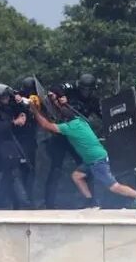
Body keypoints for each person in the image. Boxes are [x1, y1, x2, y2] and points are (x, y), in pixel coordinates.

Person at [31, 90, 136, 209]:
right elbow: (65, 111)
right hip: (93, 159)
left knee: (113, 186)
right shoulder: (80, 121)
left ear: (66, 120)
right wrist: (56, 101)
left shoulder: (70, 128)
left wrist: (35, 110)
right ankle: (90, 202)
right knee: (77, 176)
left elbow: (46, 125)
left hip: (97, 160)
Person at [43, 74, 101, 208]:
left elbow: (101, 114)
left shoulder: (93, 100)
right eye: (83, 90)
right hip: (62, 133)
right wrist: (62, 96)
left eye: (88, 90)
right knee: (56, 167)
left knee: (86, 166)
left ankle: (90, 200)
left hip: (77, 138)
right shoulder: (72, 88)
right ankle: (49, 203)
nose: (85, 92)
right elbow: (55, 87)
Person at [0, 84, 32, 209]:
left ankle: (5, 203)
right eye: (4, 96)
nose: (7, 99)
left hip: (7, 147)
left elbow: (23, 109)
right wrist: (14, 122)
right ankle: (13, 203)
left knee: (11, 174)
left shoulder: (6, 107)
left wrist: (21, 109)